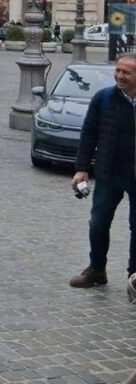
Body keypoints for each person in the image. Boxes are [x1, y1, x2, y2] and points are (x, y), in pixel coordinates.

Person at [69, 53, 136, 289]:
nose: (120, 76)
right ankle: (96, 269)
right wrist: (81, 168)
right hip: (110, 172)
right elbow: (89, 133)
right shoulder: (104, 98)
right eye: (118, 70)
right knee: (98, 222)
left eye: (126, 72)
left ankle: (134, 276)